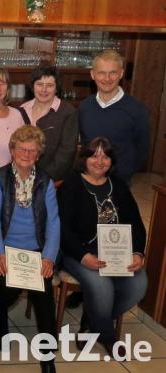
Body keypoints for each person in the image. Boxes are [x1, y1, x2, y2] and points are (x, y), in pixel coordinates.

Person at [58, 137, 147, 353]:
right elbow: (61, 229)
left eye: (105, 156)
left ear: (112, 161)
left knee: (138, 286)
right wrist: (83, 256)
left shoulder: (119, 186)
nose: (100, 161)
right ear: (85, 158)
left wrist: (137, 253)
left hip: (116, 253)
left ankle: (92, 322)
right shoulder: (71, 185)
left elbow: (136, 224)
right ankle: (107, 336)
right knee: (101, 285)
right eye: (94, 155)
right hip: (78, 252)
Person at [0, 126, 59, 373]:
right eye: (22, 149)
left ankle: (47, 357)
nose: (26, 154)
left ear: (38, 154)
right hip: (5, 249)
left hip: (36, 250)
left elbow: (53, 222)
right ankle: (1, 319)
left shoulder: (46, 181)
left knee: (44, 294)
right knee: (7, 287)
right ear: (12, 150)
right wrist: (1, 254)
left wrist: (48, 258)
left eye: (32, 150)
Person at [79, 50, 150, 184]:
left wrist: (126, 171)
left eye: (113, 72)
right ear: (92, 75)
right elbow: (84, 143)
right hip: (88, 177)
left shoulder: (137, 109)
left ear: (121, 74)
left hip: (120, 180)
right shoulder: (84, 107)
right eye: (101, 73)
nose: (107, 79)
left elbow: (142, 149)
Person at [19, 66, 79, 182]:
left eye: (50, 85)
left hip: (52, 181)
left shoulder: (68, 112)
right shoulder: (21, 110)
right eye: (39, 84)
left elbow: (66, 153)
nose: (44, 90)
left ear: (57, 88)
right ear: (32, 86)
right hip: (21, 178)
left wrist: (42, 179)